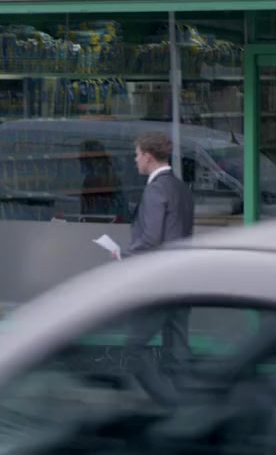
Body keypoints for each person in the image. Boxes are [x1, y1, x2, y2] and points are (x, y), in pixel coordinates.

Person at [123, 132, 195, 403]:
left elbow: (151, 238)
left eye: (137, 155)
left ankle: (170, 404)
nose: (135, 160)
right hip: (183, 279)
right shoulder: (181, 188)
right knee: (177, 351)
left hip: (162, 281)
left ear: (148, 156)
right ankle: (192, 406)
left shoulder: (155, 189)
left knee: (134, 348)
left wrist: (123, 255)